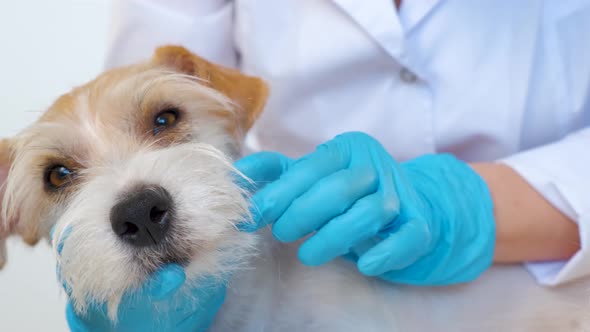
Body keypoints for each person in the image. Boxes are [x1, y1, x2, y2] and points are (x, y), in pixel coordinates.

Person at [63, 0, 590, 330]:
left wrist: (466, 209)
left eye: (164, 123)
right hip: (291, 268)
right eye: (60, 175)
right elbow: (140, 89)